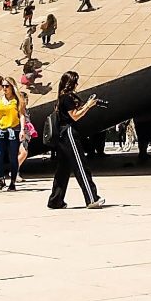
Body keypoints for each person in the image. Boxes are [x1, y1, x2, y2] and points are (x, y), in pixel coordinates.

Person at [45, 71, 104, 209]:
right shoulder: (67, 98)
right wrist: (88, 106)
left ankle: (55, 200)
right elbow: (75, 116)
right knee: (80, 165)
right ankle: (91, 198)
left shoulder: (61, 98)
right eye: (75, 81)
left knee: (63, 169)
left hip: (62, 134)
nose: (77, 84)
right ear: (71, 83)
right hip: (69, 133)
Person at [0, 78, 23, 192]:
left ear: (12, 87)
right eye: (3, 86)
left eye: (7, 86)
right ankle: (1, 179)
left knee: (13, 157)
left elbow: (22, 115)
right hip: (1, 130)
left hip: (14, 131)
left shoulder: (17, 100)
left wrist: (23, 130)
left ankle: (12, 182)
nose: (4, 88)